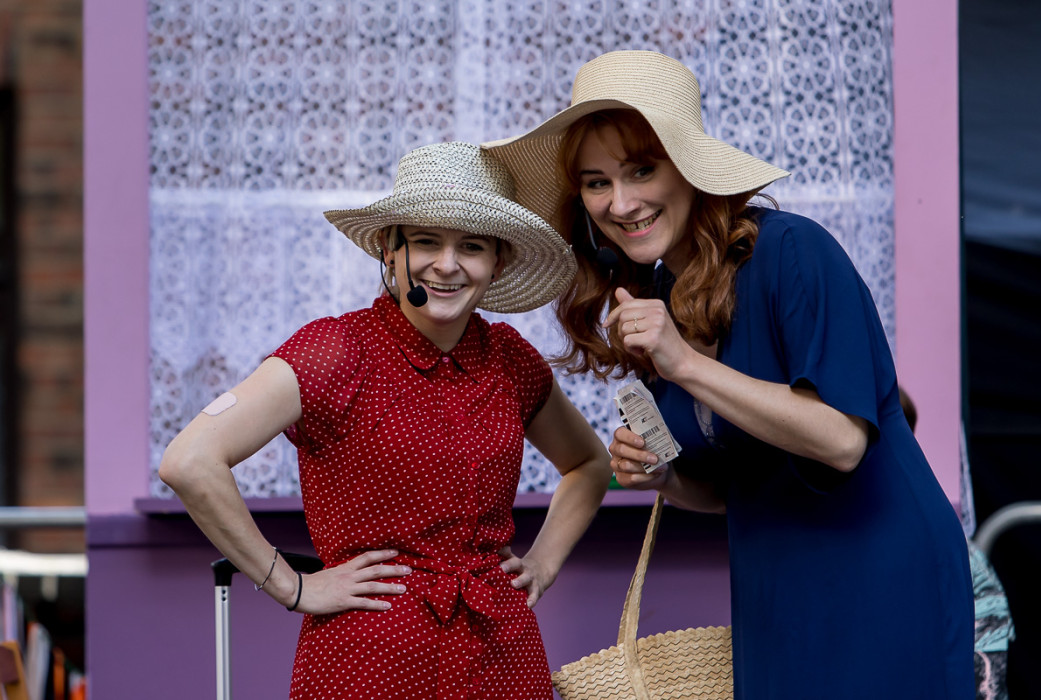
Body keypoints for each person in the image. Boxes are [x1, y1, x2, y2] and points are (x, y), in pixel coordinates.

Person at [484, 50, 975, 698]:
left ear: (689, 169)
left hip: (880, 571)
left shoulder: (791, 251)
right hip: (771, 586)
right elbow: (729, 488)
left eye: (641, 170)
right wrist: (664, 478)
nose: (620, 202)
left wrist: (684, 364)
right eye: (596, 182)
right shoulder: (656, 293)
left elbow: (841, 441)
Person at [159, 141, 610, 699]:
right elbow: (189, 460)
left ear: (497, 262)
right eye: (426, 241)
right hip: (370, 660)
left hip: (501, 655)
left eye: (471, 246)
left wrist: (542, 563)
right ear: (390, 250)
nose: (447, 264)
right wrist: (291, 586)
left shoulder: (510, 360)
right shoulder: (337, 351)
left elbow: (589, 464)